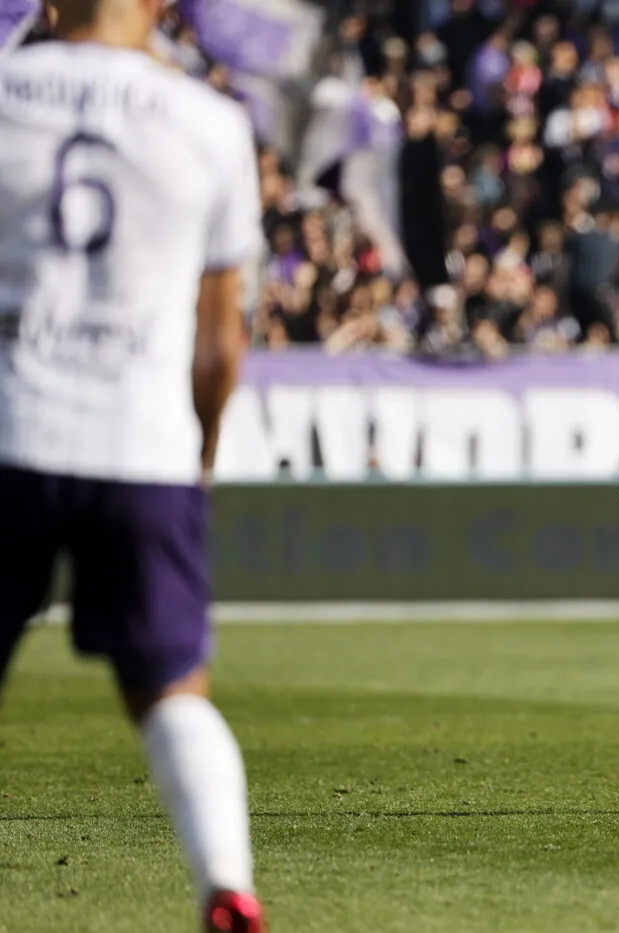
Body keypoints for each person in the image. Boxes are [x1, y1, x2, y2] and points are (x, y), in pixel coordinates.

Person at [0, 0, 264, 929]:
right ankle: (227, 881)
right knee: (167, 688)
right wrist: (197, 453)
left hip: (10, 428)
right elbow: (220, 339)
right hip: (141, 446)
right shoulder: (212, 121)